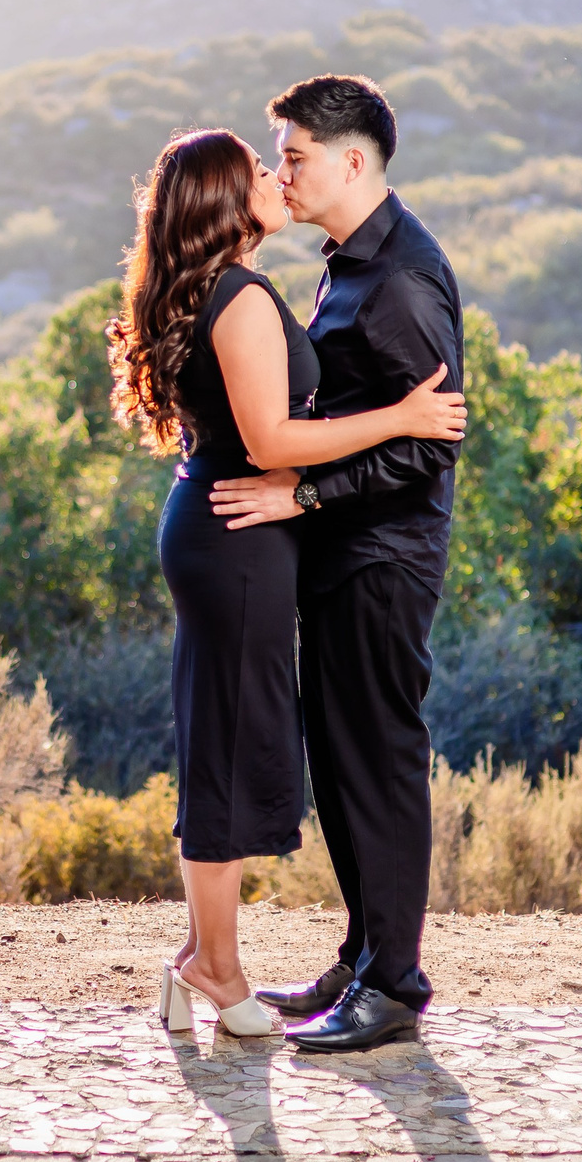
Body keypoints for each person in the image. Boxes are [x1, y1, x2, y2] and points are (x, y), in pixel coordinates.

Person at [107, 127, 465, 1037]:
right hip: (239, 535)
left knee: (222, 735)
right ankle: (217, 968)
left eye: (287, 159)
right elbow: (271, 442)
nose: (277, 177)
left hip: (222, 527)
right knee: (227, 742)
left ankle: (228, 962)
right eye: (262, 169)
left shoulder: (216, 288)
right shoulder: (245, 296)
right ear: (228, 202)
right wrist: (404, 413)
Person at [211, 75, 464, 1053]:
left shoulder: (398, 278)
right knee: (343, 759)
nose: (281, 172)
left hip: (382, 558)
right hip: (346, 551)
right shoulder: (353, 263)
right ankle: (362, 955)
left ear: (352, 161)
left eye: (294, 156)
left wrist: (302, 494)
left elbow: (427, 443)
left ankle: (393, 984)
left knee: (379, 760)